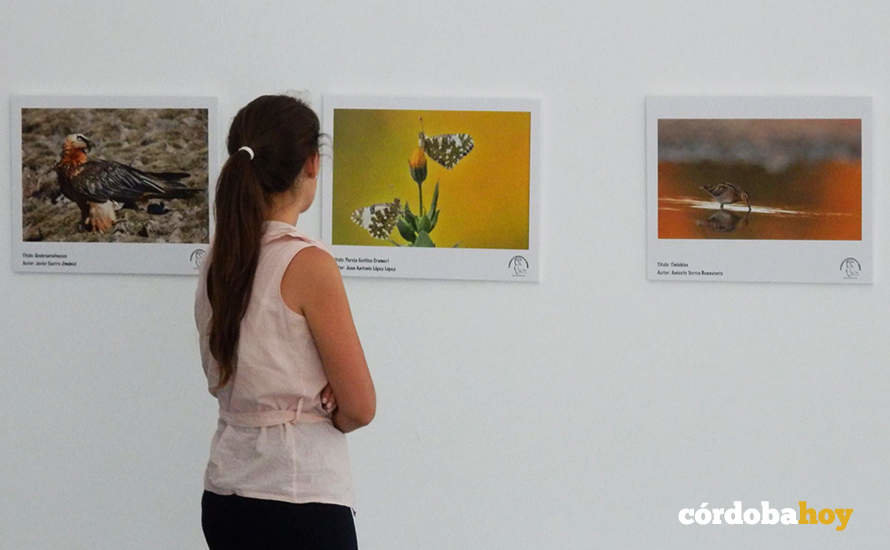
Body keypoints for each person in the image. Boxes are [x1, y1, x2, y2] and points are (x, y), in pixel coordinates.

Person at [194, 94, 375, 549]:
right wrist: (325, 403)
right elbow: (360, 407)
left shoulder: (219, 259)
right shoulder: (308, 263)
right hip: (299, 497)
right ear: (312, 164)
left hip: (226, 495)